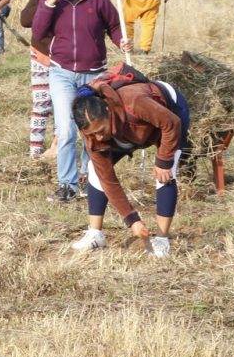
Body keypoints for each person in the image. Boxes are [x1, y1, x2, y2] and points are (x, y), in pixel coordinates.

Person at [31, 0, 127, 203]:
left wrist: (121, 42)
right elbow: (39, 31)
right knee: (65, 130)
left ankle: (89, 179)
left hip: (94, 75)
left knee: (92, 130)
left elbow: (114, 25)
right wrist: (50, 2)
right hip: (61, 73)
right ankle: (67, 185)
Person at [68, 77, 188, 258]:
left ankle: (162, 240)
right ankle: (95, 234)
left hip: (169, 114)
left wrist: (163, 160)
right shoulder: (92, 138)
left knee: (165, 173)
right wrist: (132, 220)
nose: (99, 138)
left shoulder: (135, 102)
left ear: (108, 111)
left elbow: (171, 123)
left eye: (101, 130)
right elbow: (108, 180)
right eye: (92, 134)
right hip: (128, 131)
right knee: (95, 170)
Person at [20, 0, 54, 158]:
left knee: (64, 108)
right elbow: (25, 20)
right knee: (41, 104)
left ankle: (59, 149)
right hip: (40, 55)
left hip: (67, 60)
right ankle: (35, 152)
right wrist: (45, 1)